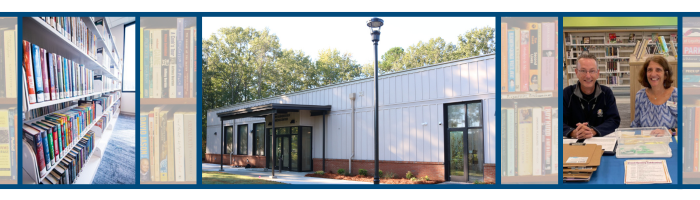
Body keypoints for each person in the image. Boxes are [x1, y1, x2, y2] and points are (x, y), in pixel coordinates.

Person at [563, 54, 621, 138]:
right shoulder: (567, 93)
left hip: (601, 141)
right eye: (583, 71)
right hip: (573, 141)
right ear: (576, 72)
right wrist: (573, 132)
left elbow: (614, 120)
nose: (588, 76)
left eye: (592, 71)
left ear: (597, 73)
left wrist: (593, 131)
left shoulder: (606, 93)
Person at [630, 56, 677, 136]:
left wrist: (668, 132)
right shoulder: (640, 96)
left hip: (671, 144)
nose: (653, 74)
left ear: (665, 75)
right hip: (647, 145)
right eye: (649, 70)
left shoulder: (676, 95)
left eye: (658, 70)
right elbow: (636, 125)